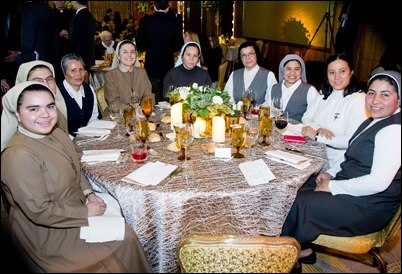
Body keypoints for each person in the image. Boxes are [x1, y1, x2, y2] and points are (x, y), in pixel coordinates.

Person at [0, 81, 152, 272]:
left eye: (49, 106)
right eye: (33, 109)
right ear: (18, 116)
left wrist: (89, 193)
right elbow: (39, 211)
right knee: (120, 246)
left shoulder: (56, 134)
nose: (45, 114)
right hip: (47, 235)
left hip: (75, 208)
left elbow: (75, 169)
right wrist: (85, 212)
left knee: (128, 235)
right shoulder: (18, 156)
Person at [281, 70, 401, 264]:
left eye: (385, 94)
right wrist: (329, 173)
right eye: (371, 93)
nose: (375, 100)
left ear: (399, 99)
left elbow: (378, 182)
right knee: (294, 188)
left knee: (299, 202)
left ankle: (285, 257)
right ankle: (301, 248)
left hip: (369, 204)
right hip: (353, 187)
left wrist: (332, 186)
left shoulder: (394, 131)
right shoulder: (373, 121)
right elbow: (350, 156)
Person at [301, 54, 368, 170]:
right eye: (332, 72)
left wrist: (317, 136)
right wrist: (318, 128)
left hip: (337, 166)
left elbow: (351, 140)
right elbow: (306, 118)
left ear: (351, 72)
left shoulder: (359, 99)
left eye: (342, 71)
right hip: (313, 156)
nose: (337, 77)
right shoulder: (324, 93)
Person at [136, 0, 184, 103]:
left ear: (154, 6)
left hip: (152, 65)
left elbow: (139, 45)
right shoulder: (174, 22)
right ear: (167, 8)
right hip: (168, 65)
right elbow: (179, 45)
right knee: (168, 96)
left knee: (152, 96)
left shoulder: (145, 21)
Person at [14, 60, 69, 135]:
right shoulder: (24, 117)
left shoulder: (58, 109)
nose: (46, 84)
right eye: (38, 80)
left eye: (49, 79)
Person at [104, 40, 154, 111]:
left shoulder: (141, 72)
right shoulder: (110, 76)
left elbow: (149, 96)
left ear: (136, 55)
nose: (129, 55)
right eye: (125, 52)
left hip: (141, 114)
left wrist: (144, 108)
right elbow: (114, 103)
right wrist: (134, 110)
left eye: (132, 52)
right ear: (118, 56)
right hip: (118, 116)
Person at [224, 41, 277, 106]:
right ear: (241, 58)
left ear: (256, 54)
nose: (247, 58)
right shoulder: (234, 75)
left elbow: (271, 101)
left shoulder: (269, 75)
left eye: (251, 54)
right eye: (244, 55)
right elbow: (227, 98)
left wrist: (254, 111)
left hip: (260, 115)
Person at [270, 54, 320, 122]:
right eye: (288, 69)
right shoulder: (273, 88)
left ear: (301, 71)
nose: (292, 73)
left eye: (296, 69)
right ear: (282, 70)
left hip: (298, 131)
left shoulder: (310, 91)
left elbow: (315, 116)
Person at [58, 53, 99, 137]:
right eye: (73, 70)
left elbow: (93, 118)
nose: (79, 74)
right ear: (65, 73)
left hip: (88, 137)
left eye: (81, 69)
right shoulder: (57, 93)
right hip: (67, 141)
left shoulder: (89, 90)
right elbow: (58, 129)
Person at [20, 1, 58, 66]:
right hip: (50, 56)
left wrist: (20, 54)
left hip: (34, 57)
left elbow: (28, 40)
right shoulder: (49, 9)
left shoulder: (30, 9)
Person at [68, 1, 97, 72]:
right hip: (89, 56)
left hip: (78, 58)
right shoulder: (90, 16)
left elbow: (74, 41)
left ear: (75, 1)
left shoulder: (77, 18)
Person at [52, 1, 75, 81]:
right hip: (57, 52)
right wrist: (59, 34)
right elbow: (47, 33)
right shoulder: (50, 14)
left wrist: (70, 34)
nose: (60, 2)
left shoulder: (72, 14)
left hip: (70, 49)